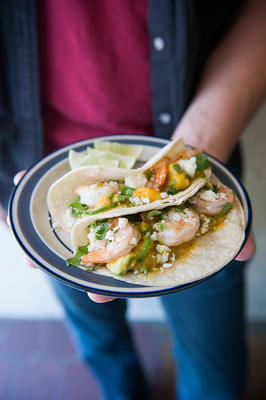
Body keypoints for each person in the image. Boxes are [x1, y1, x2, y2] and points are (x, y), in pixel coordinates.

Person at [0, 0, 263, 398]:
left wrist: (200, 143)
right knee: (101, 346)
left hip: (202, 142)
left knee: (214, 362)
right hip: (42, 176)